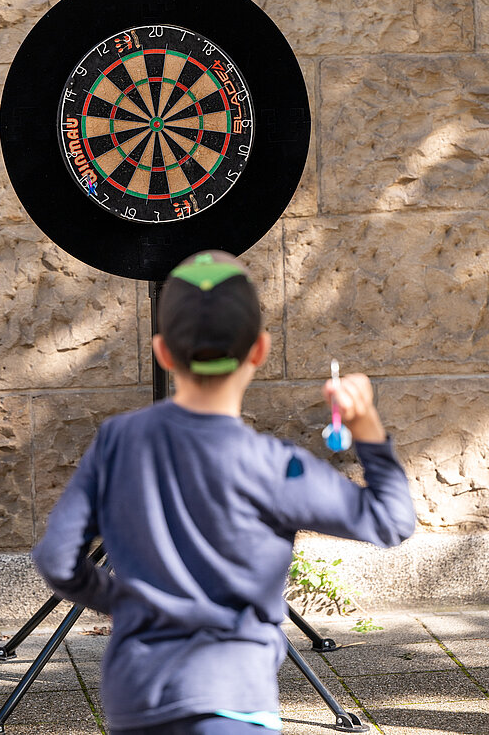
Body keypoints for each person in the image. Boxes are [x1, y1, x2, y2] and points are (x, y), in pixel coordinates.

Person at [32, 250, 416, 734]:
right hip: (236, 698)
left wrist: (126, 601)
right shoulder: (277, 467)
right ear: (259, 350)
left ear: (163, 353)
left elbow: (55, 557)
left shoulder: (117, 441)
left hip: (136, 695)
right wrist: (367, 426)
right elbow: (391, 520)